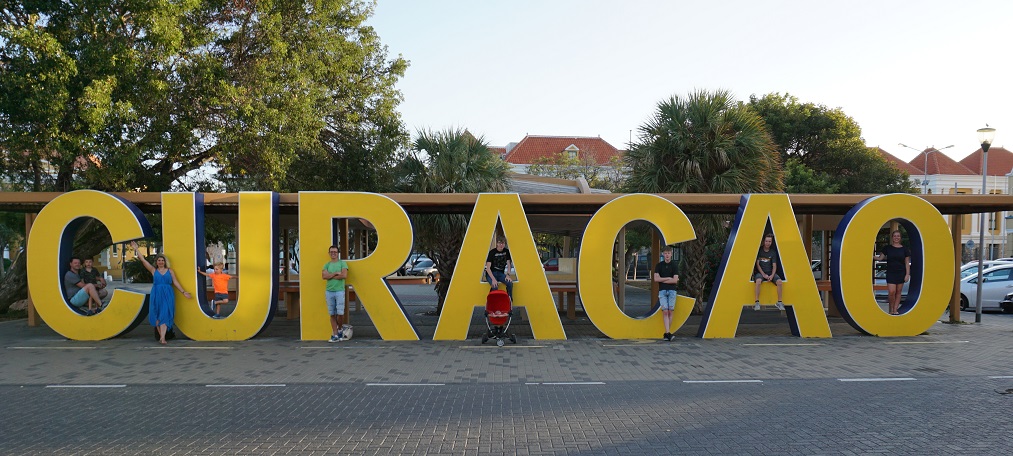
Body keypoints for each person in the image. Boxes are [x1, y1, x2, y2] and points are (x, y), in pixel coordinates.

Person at [131, 241, 192, 345]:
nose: (160, 262)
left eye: (162, 260)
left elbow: (175, 282)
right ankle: (161, 337)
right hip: (156, 293)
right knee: (157, 315)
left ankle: (162, 338)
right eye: (159, 260)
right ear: (156, 262)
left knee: (165, 314)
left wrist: (183, 292)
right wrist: (136, 249)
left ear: (165, 261)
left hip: (168, 294)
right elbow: (143, 260)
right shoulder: (153, 270)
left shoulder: (170, 271)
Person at [874, 229, 911, 315]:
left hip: (901, 273)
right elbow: (880, 258)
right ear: (892, 237)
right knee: (891, 292)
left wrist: (907, 274)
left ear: (900, 238)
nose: (896, 237)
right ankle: (891, 308)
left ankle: (895, 310)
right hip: (891, 273)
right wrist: (867, 255)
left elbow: (907, 263)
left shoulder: (905, 249)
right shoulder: (887, 248)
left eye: (898, 236)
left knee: (898, 292)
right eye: (895, 236)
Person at [322, 245, 349, 342]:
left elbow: (344, 275)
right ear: (329, 253)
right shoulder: (326, 265)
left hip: (339, 291)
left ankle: (340, 328)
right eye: (331, 252)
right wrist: (335, 274)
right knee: (332, 313)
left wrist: (330, 275)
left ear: (338, 253)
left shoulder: (343, 263)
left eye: (335, 252)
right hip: (329, 291)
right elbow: (324, 276)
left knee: (340, 313)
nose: (333, 253)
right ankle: (335, 334)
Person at [754, 233, 785, 311]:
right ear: (764, 241)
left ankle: (779, 302)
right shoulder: (759, 250)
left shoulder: (773, 252)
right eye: (766, 241)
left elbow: (774, 266)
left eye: (769, 241)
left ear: (771, 242)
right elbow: (757, 264)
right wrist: (763, 274)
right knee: (758, 281)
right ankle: (757, 302)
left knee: (780, 282)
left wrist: (772, 275)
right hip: (760, 273)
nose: (768, 243)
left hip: (770, 272)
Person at [654, 246, 679, 341]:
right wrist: (668, 278)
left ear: (671, 254)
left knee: (670, 312)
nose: (667, 255)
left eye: (668, 253)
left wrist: (663, 279)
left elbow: (675, 280)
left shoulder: (674, 265)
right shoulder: (659, 265)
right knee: (665, 312)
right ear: (663, 254)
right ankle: (668, 333)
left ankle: (667, 333)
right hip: (662, 291)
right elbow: (656, 279)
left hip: (672, 291)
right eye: (665, 253)